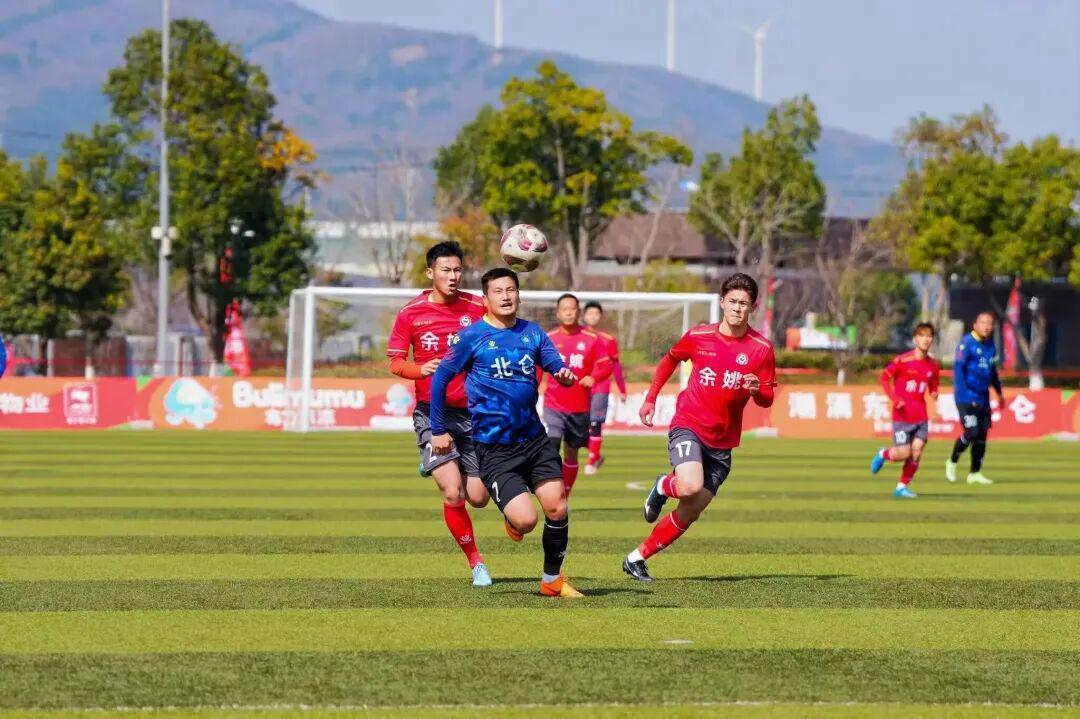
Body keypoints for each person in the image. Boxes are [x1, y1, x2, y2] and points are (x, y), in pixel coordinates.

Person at [430, 267, 585, 598]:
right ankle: (514, 518)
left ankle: (552, 581)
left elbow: (554, 363)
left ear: (518, 295)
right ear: (485, 299)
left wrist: (562, 374)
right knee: (527, 521)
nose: (506, 296)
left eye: (511, 290)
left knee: (557, 507)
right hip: (495, 449)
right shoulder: (471, 337)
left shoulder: (532, 333)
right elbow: (440, 379)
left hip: (535, 441)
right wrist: (438, 429)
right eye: (498, 291)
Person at [622, 273, 776, 582]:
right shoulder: (699, 336)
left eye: (743, 303)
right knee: (690, 486)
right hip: (689, 425)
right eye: (732, 301)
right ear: (722, 302)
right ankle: (663, 485)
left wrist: (757, 390)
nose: (737, 308)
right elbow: (669, 360)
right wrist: (650, 398)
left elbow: (767, 399)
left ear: (753, 307)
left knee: (691, 509)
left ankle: (636, 558)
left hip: (723, 442)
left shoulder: (761, 348)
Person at [386, 241, 492, 587]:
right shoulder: (411, 313)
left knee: (479, 498)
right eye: (446, 270)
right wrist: (420, 370)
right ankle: (476, 563)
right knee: (452, 493)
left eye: (458, 270)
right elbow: (396, 363)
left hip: (474, 414)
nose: (453, 276)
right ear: (430, 272)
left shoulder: (477, 307)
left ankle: (433, 462)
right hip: (434, 414)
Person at [544, 294, 612, 496]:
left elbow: (606, 365)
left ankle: (564, 494)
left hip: (580, 407)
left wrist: (594, 377)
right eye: (564, 309)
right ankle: (550, 491)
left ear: (579, 312)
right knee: (551, 444)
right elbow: (537, 369)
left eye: (572, 309)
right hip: (553, 405)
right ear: (558, 313)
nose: (568, 313)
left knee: (571, 452)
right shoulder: (548, 338)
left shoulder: (592, 339)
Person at [869, 323, 940, 499]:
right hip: (902, 417)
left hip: (921, 416)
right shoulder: (902, 361)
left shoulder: (933, 366)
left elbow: (933, 384)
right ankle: (883, 454)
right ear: (915, 339)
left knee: (916, 451)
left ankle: (901, 487)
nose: (926, 339)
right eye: (922, 336)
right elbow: (884, 378)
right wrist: (895, 398)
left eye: (929, 336)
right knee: (904, 453)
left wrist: (934, 392)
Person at [946, 312, 1004, 485]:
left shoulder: (990, 346)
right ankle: (952, 461)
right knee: (971, 432)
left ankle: (975, 473)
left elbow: (992, 373)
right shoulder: (966, 343)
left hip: (983, 397)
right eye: (983, 323)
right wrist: (965, 395)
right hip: (966, 397)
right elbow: (959, 372)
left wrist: (999, 393)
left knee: (981, 436)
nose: (986, 326)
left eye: (990, 323)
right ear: (975, 325)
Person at [581, 301, 627, 475]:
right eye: (589, 313)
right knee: (578, 427)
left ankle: (591, 461)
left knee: (595, 423)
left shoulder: (608, 340)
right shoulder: (579, 336)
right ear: (584, 316)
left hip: (600, 385)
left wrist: (622, 389)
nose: (593, 317)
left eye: (596, 314)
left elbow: (615, 366)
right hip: (581, 387)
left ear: (600, 317)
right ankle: (597, 454)